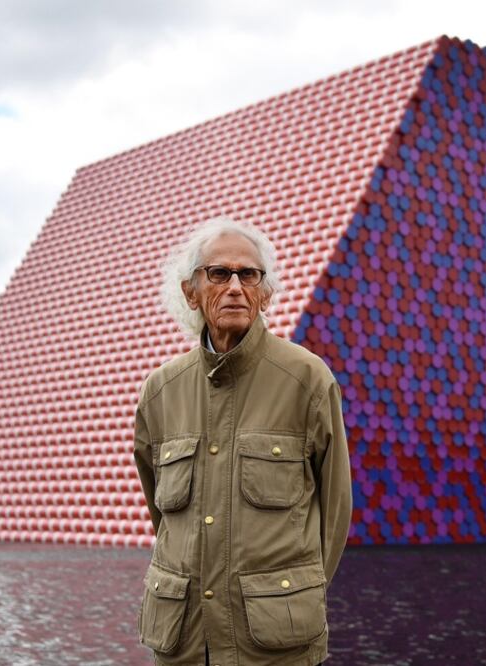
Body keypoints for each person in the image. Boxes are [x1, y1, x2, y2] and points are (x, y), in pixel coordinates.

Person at [133, 216, 352, 666]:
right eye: (219, 273)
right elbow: (162, 514)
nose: (235, 286)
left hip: (274, 649)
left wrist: (287, 600)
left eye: (248, 274)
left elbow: (335, 510)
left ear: (265, 292)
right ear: (190, 291)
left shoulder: (307, 380)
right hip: (185, 644)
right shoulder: (160, 392)